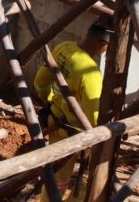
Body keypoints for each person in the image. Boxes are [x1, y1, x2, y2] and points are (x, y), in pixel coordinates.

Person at [33, 21, 111, 201]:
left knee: (55, 171)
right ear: (103, 45)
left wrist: (50, 100)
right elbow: (94, 117)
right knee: (61, 178)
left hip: (54, 119)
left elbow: (40, 82)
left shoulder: (64, 47)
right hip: (73, 131)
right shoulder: (91, 73)